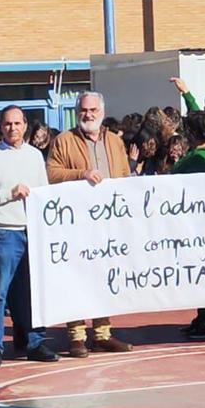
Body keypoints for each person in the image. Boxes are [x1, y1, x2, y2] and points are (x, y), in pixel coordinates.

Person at [46, 91, 134, 357]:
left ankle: (103, 333)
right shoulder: (64, 140)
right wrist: (81, 174)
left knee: (106, 278)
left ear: (102, 112)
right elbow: (51, 173)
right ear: (77, 112)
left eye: (93, 110)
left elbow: (125, 176)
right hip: (77, 224)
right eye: (84, 110)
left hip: (109, 223)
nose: (88, 115)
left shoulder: (115, 141)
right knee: (78, 278)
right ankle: (76, 335)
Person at [0, 106, 59, 367]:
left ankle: (34, 342)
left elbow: (44, 194)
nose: (13, 128)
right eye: (8, 124)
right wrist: (9, 194)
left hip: (32, 232)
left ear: (24, 126)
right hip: (3, 231)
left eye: (17, 123)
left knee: (32, 291)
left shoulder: (34, 156)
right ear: (1, 127)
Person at [169, 111, 205, 341]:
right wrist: (186, 94)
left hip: (199, 224)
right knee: (204, 271)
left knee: (201, 271)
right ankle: (204, 316)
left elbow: (173, 178)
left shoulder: (196, 160)